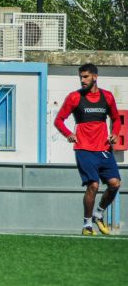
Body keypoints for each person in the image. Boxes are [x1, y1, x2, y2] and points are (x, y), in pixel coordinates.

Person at [54, 63, 122, 236]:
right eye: (81, 77)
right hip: (84, 148)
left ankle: (99, 214)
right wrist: (68, 134)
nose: (82, 80)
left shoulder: (107, 97)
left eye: (86, 77)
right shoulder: (74, 97)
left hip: (104, 149)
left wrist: (115, 133)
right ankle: (87, 225)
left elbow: (116, 118)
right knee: (93, 184)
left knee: (115, 184)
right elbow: (59, 120)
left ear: (95, 77)